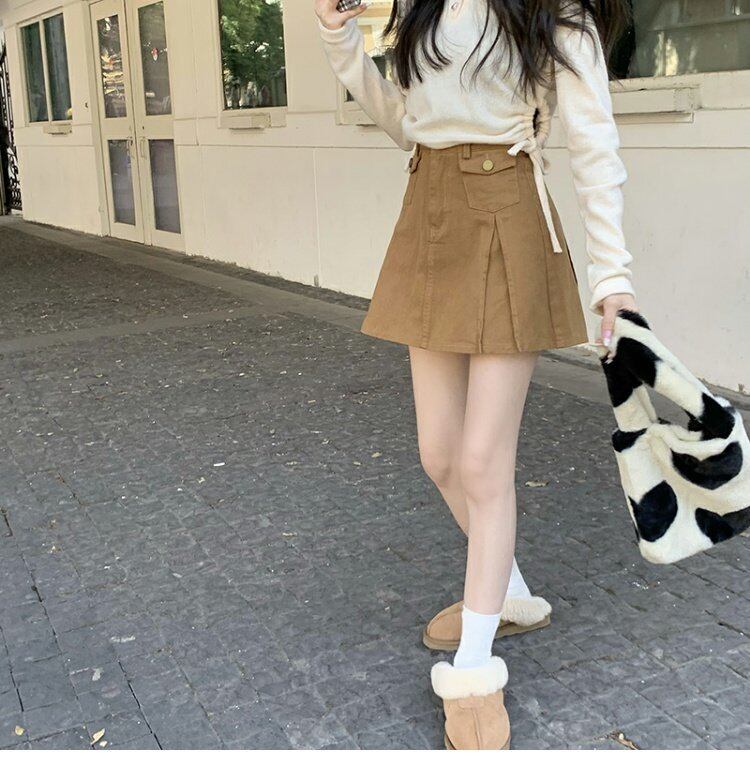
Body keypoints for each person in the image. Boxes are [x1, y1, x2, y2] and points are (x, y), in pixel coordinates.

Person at [315, 0, 638, 750]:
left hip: (508, 213)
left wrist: (612, 277)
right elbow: (409, 123)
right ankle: (509, 591)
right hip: (428, 213)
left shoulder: (556, 14)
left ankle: (475, 669)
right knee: (439, 455)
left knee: (484, 462)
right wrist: (339, 40)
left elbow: (594, 144)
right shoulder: (423, 9)